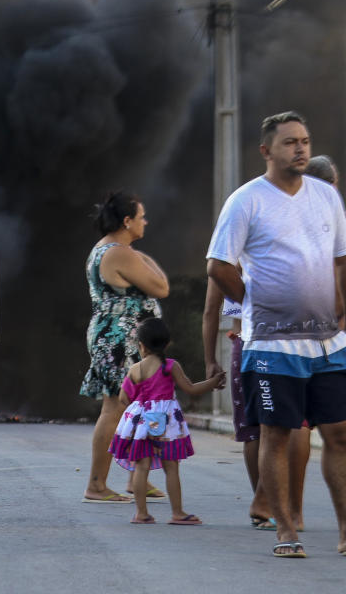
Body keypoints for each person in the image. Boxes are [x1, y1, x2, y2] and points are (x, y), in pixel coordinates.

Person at [207, 111, 346, 558]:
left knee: (340, 432)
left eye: (305, 140)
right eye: (290, 142)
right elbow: (219, 266)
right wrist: (252, 302)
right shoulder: (246, 200)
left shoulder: (326, 197)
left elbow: (340, 259)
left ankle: (345, 533)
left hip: (328, 341)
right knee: (277, 432)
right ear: (266, 150)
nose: (301, 149)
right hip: (271, 344)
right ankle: (286, 530)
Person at [202, 277, 311, 530]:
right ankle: (294, 512)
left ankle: (268, 508)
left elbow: (210, 310)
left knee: (253, 428)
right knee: (298, 420)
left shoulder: (230, 251)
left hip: (249, 340)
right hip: (298, 339)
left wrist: (210, 360)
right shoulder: (294, 245)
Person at [81, 192, 169, 504]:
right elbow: (161, 286)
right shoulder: (120, 252)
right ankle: (96, 484)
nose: (146, 222)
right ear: (127, 221)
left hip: (119, 335)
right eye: (141, 216)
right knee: (115, 407)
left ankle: (137, 478)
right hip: (120, 340)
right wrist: (144, 258)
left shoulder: (106, 249)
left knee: (139, 405)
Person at [109, 318, 225, 524]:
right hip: (166, 423)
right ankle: (178, 513)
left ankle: (141, 513)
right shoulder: (170, 366)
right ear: (167, 344)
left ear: (141, 346)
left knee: (141, 466)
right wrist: (213, 383)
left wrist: (141, 401)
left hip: (142, 424)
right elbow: (191, 389)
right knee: (171, 467)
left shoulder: (136, 369)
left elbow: (123, 398)